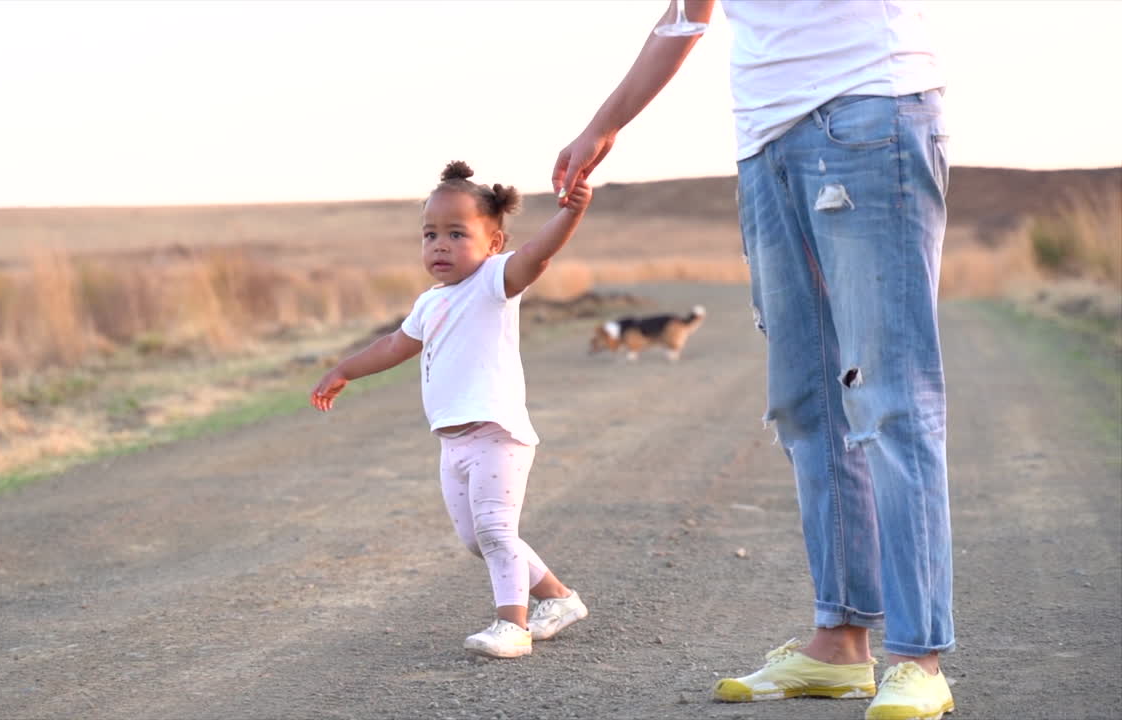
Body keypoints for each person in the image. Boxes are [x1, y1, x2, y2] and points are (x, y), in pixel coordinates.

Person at [552, 2, 954, 719]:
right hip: (764, 144)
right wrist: (602, 124)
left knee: (888, 394)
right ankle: (839, 644)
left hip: (869, 108)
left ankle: (918, 657)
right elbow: (684, 15)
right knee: (807, 402)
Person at [310, 161, 593, 659]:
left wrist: (569, 214)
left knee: (495, 529)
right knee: (475, 539)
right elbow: (395, 344)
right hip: (454, 442)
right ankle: (559, 599)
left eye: (457, 233)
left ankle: (513, 626)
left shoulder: (493, 283)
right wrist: (345, 370)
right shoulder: (430, 302)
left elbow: (538, 255)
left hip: (497, 433)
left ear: (493, 243)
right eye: (430, 234)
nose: (440, 245)